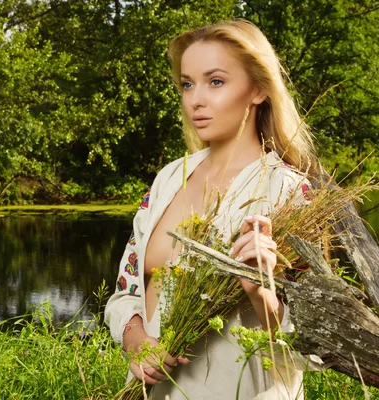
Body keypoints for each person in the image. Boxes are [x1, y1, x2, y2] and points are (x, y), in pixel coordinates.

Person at [104, 19, 319, 399]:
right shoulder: (168, 180)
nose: (195, 99)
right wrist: (137, 342)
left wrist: (260, 292)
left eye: (215, 82)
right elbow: (126, 293)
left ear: (258, 89)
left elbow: (315, 342)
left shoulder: (287, 191)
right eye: (188, 84)